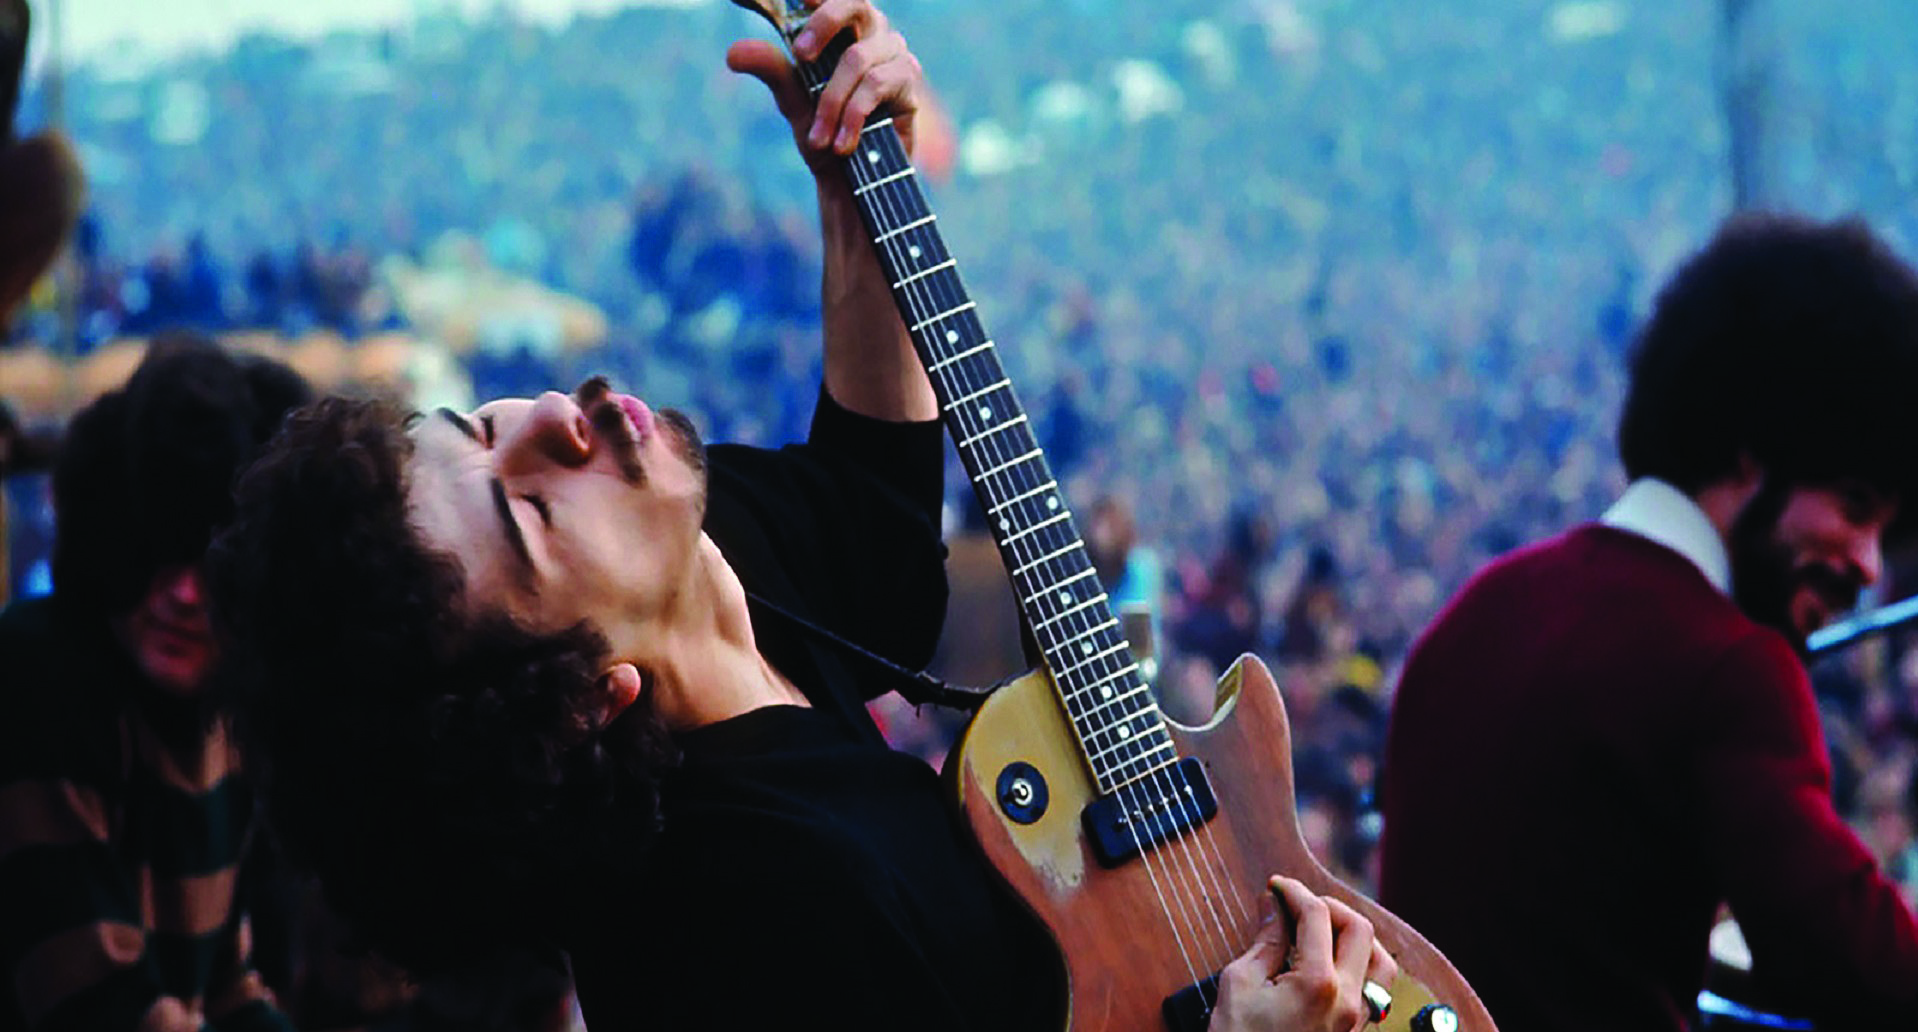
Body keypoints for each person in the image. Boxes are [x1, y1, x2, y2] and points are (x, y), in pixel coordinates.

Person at [204, 2, 1391, 1029]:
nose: (555, 417)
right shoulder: (744, 938)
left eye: (474, 425)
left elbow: (874, 546)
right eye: (529, 515)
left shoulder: (699, 571)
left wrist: (857, 185)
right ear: (579, 700)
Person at [1378, 213, 1918, 1031]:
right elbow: (1849, 964)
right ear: (1751, 454)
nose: (1870, 565)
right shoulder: (1727, 666)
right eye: (1854, 508)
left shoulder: (1478, 612)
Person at [0, 336, 310, 1032]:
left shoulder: (218, 713)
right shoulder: (39, 676)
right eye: (158, 546)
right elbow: (95, 1005)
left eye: (214, 562)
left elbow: (226, 984)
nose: (184, 594)